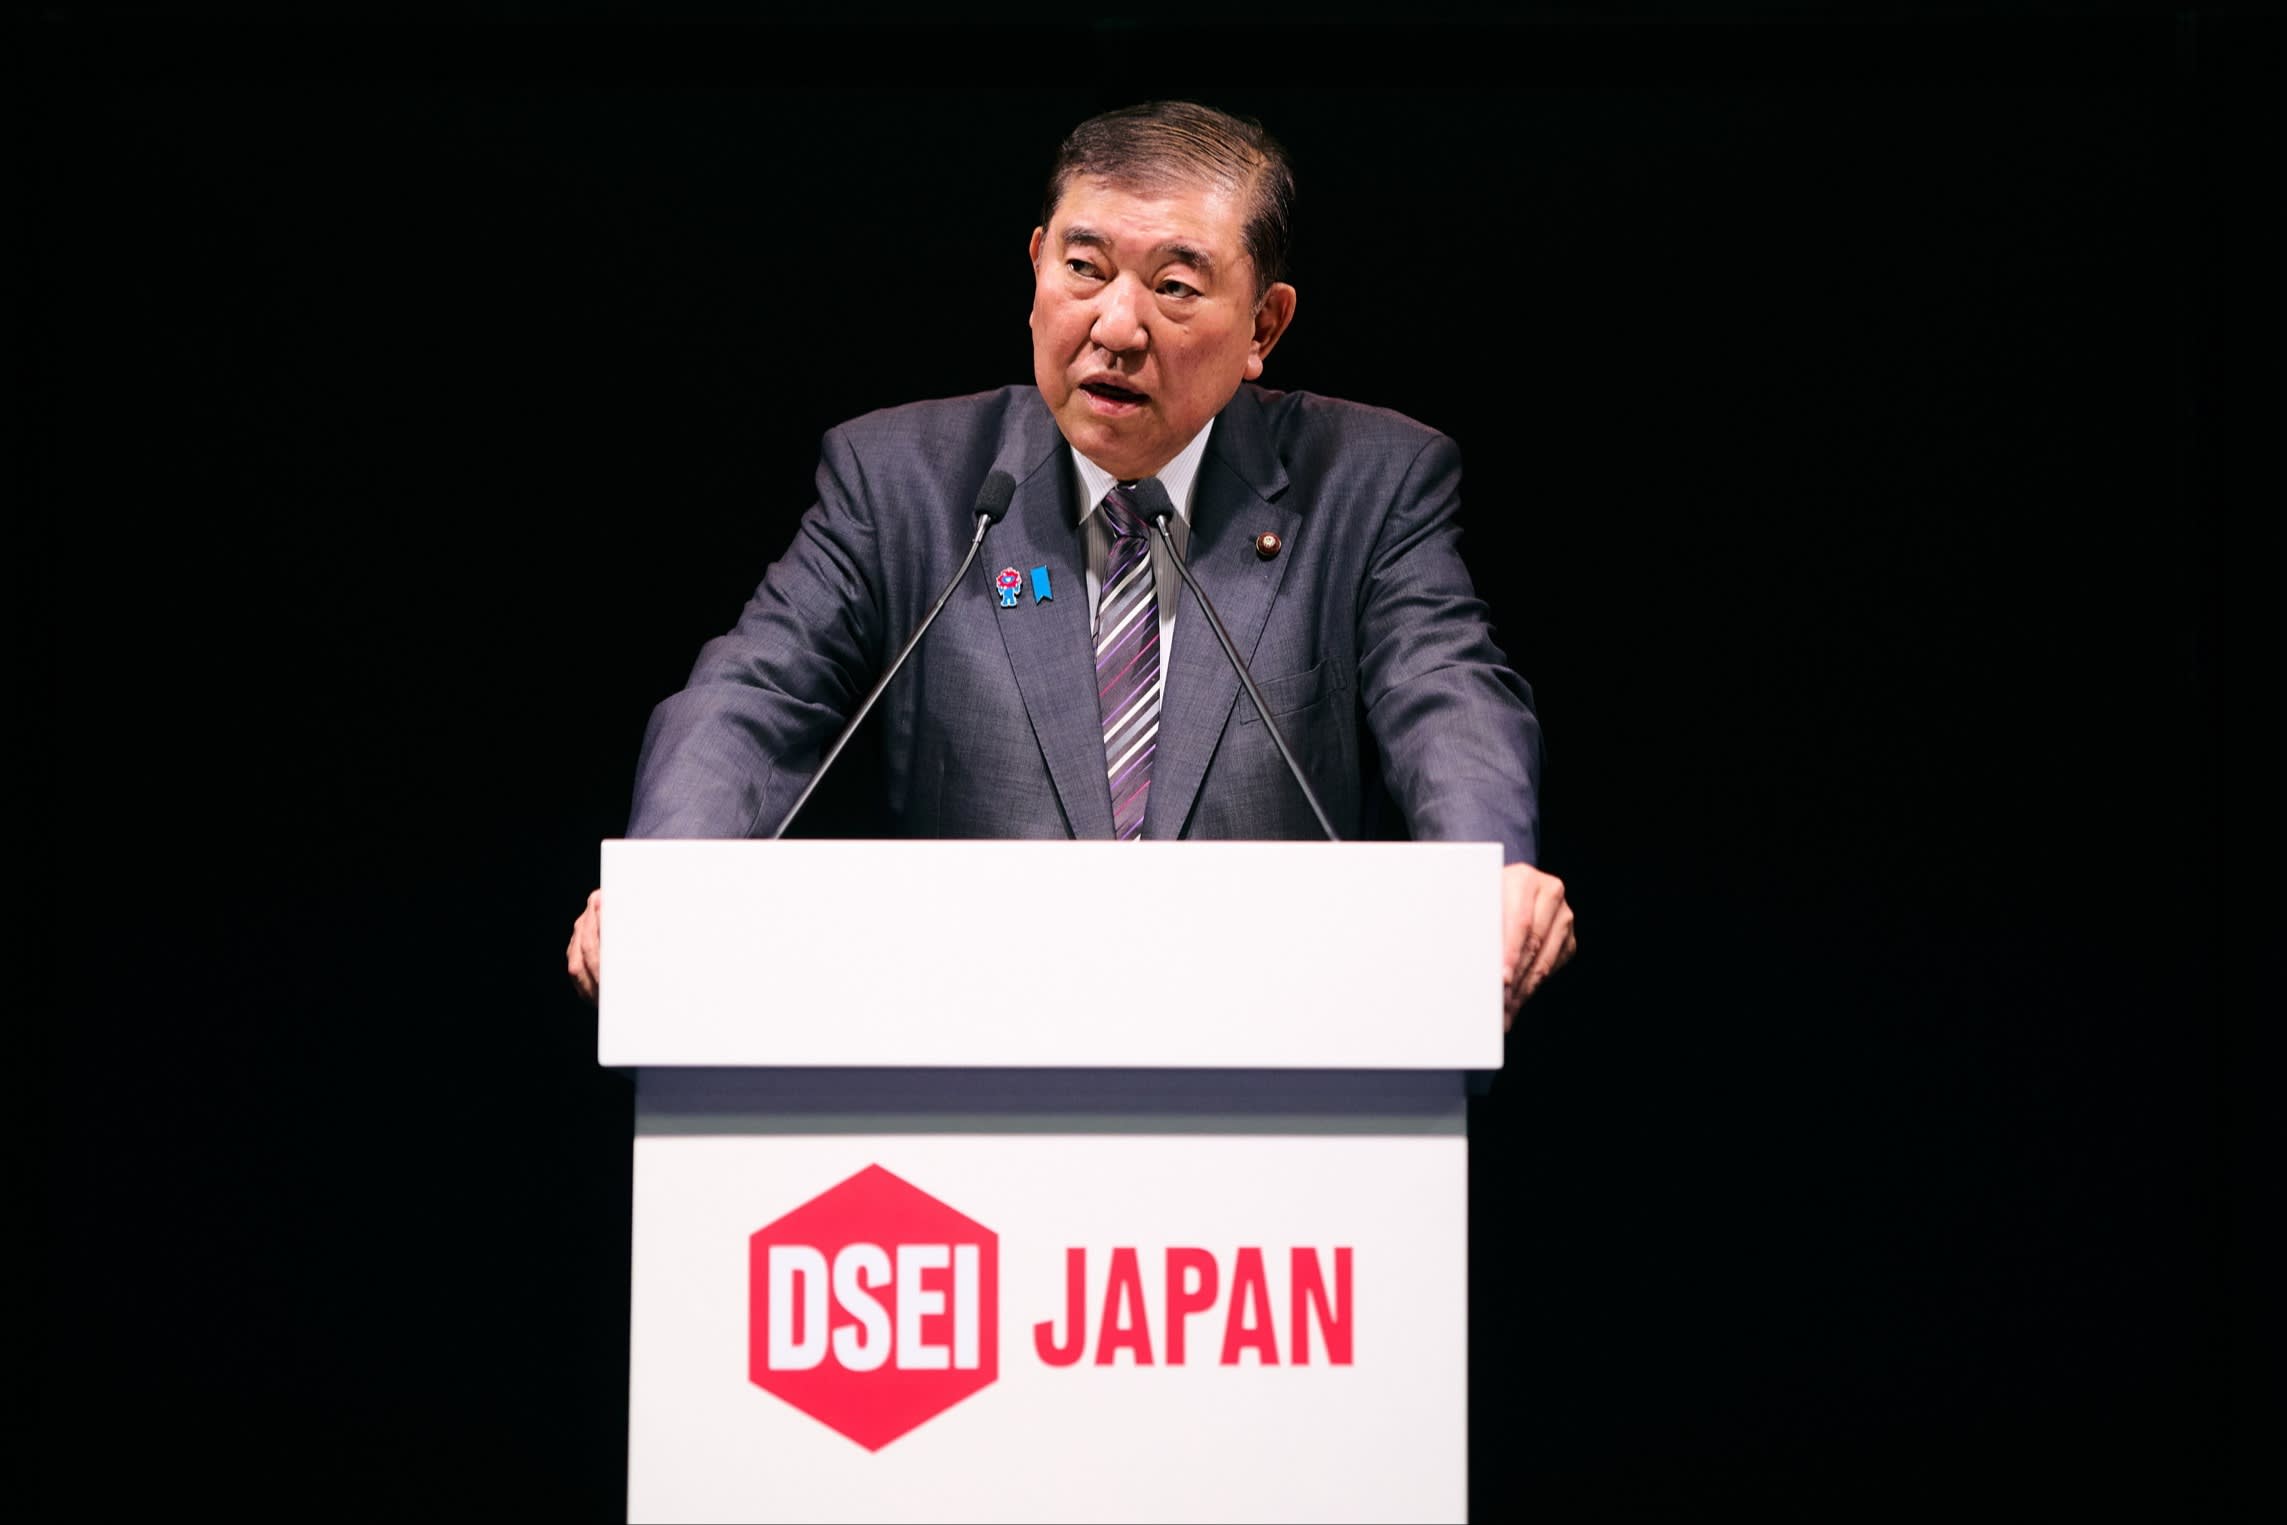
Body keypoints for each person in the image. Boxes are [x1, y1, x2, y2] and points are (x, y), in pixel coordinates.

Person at [567, 100, 1575, 1023]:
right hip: (968, 1062)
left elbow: (1447, 696)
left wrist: (1481, 875)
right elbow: (752, 697)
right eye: (1083, 270)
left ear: (1264, 325)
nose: (1116, 327)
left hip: (1272, 1059)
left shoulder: (1366, 485)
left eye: (1174, 286)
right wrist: (667, 884)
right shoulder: (904, 481)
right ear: (1038, 265)